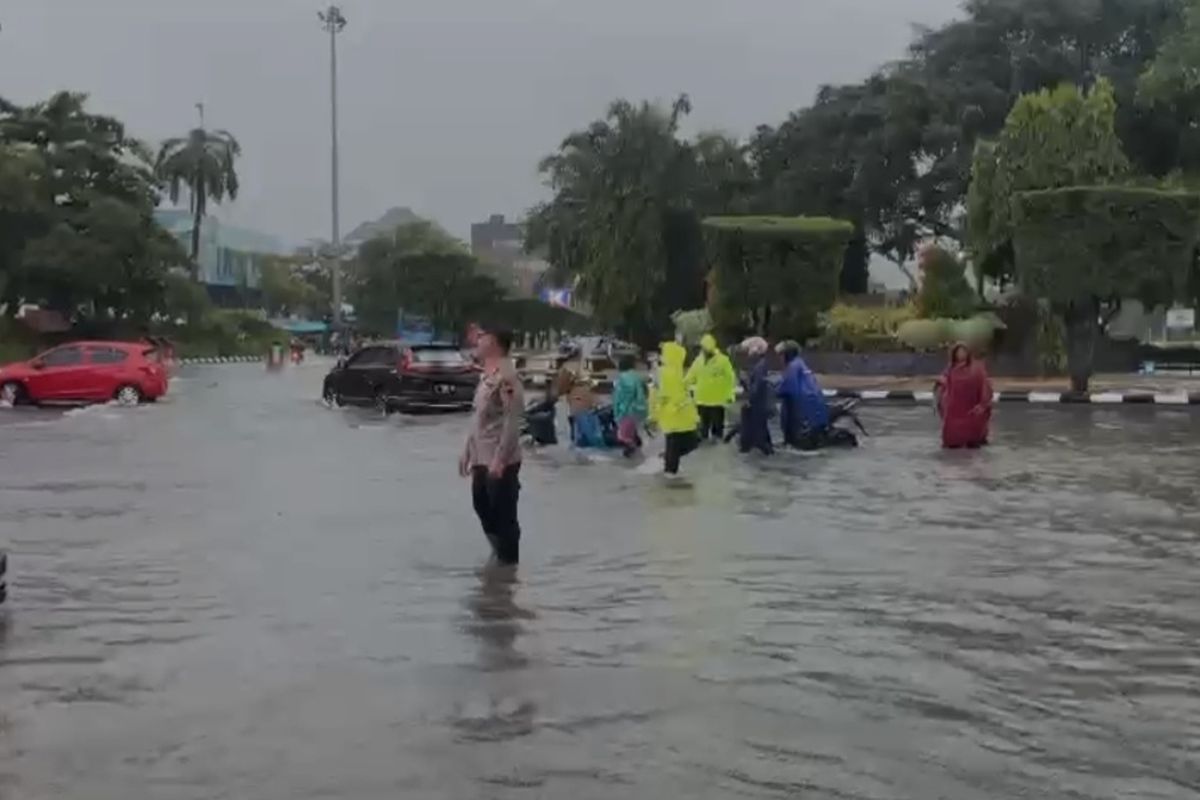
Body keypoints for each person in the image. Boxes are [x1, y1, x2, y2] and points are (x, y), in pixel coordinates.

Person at [460, 326, 526, 565]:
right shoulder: (486, 376)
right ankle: (497, 561)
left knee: (504, 517)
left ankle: (508, 571)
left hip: (500, 461)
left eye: (483, 337)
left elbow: (512, 421)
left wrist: (500, 459)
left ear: (495, 343)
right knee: (481, 506)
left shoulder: (507, 377)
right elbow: (477, 417)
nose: (477, 340)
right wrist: (467, 450)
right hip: (480, 457)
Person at [650, 341, 700, 475]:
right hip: (672, 418)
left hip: (681, 418)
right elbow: (658, 396)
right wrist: (653, 416)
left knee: (690, 443)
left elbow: (684, 395)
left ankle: (669, 463)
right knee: (680, 446)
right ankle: (669, 478)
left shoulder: (676, 372)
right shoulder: (664, 374)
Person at [936, 343, 992, 449]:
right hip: (954, 407)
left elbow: (984, 384)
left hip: (970, 403)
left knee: (972, 435)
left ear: (968, 353)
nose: (961, 354)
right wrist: (941, 383)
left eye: (963, 352)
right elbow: (943, 381)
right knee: (953, 437)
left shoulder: (976, 368)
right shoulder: (950, 368)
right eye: (958, 352)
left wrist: (983, 403)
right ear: (954, 354)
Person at [777, 340, 831, 450]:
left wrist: (774, 392)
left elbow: (788, 388)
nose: (779, 358)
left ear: (788, 354)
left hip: (803, 420)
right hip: (817, 417)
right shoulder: (801, 365)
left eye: (781, 354)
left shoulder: (792, 367)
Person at [686, 334, 737, 442]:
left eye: (706, 348)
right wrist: (680, 387)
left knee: (717, 431)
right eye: (703, 348)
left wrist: (730, 394)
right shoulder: (698, 361)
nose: (705, 351)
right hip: (701, 400)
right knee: (702, 430)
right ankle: (706, 449)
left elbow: (730, 378)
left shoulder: (723, 360)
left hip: (717, 401)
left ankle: (716, 450)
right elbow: (690, 376)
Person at [738, 337, 774, 456]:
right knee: (762, 435)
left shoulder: (759, 367)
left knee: (759, 437)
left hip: (758, 406)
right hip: (760, 405)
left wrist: (745, 384)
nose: (747, 354)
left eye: (748, 350)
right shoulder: (761, 365)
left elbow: (756, 388)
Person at [613, 354, 648, 457]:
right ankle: (638, 449)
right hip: (640, 410)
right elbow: (646, 392)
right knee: (632, 431)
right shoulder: (638, 377)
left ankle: (632, 455)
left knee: (623, 436)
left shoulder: (622, 379)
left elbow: (619, 398)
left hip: (626, 411)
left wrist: (618, 412)